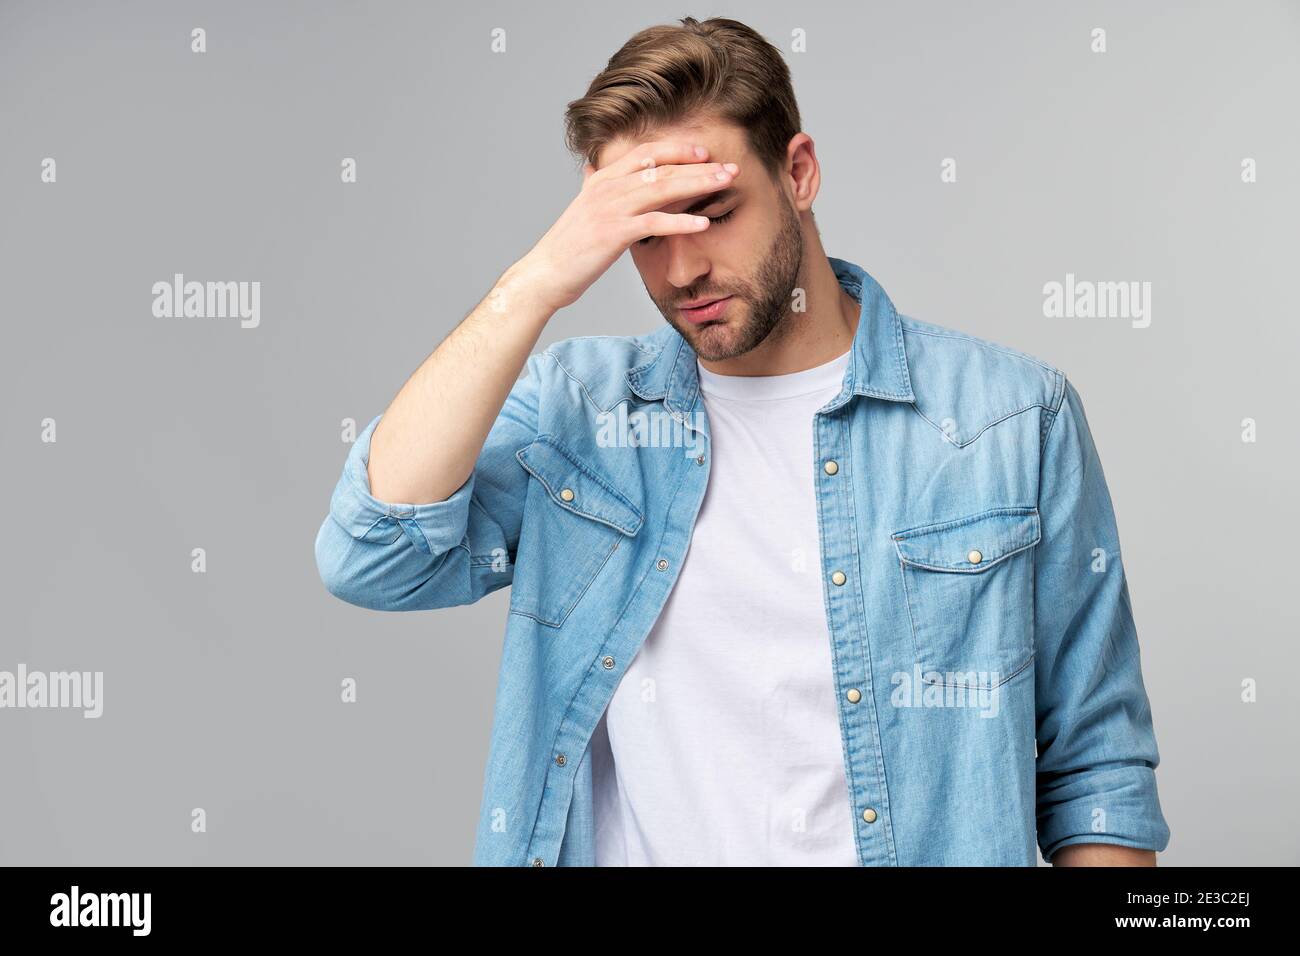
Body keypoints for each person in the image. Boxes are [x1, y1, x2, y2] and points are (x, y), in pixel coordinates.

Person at [314, 16, 1170, 867]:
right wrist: (535, 282)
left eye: (711, 214)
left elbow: (1098, 775)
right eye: (643, 235)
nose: (681, 271)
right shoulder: (578, 412)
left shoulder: (1012, 420)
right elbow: (374, 554)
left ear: (798, 173)